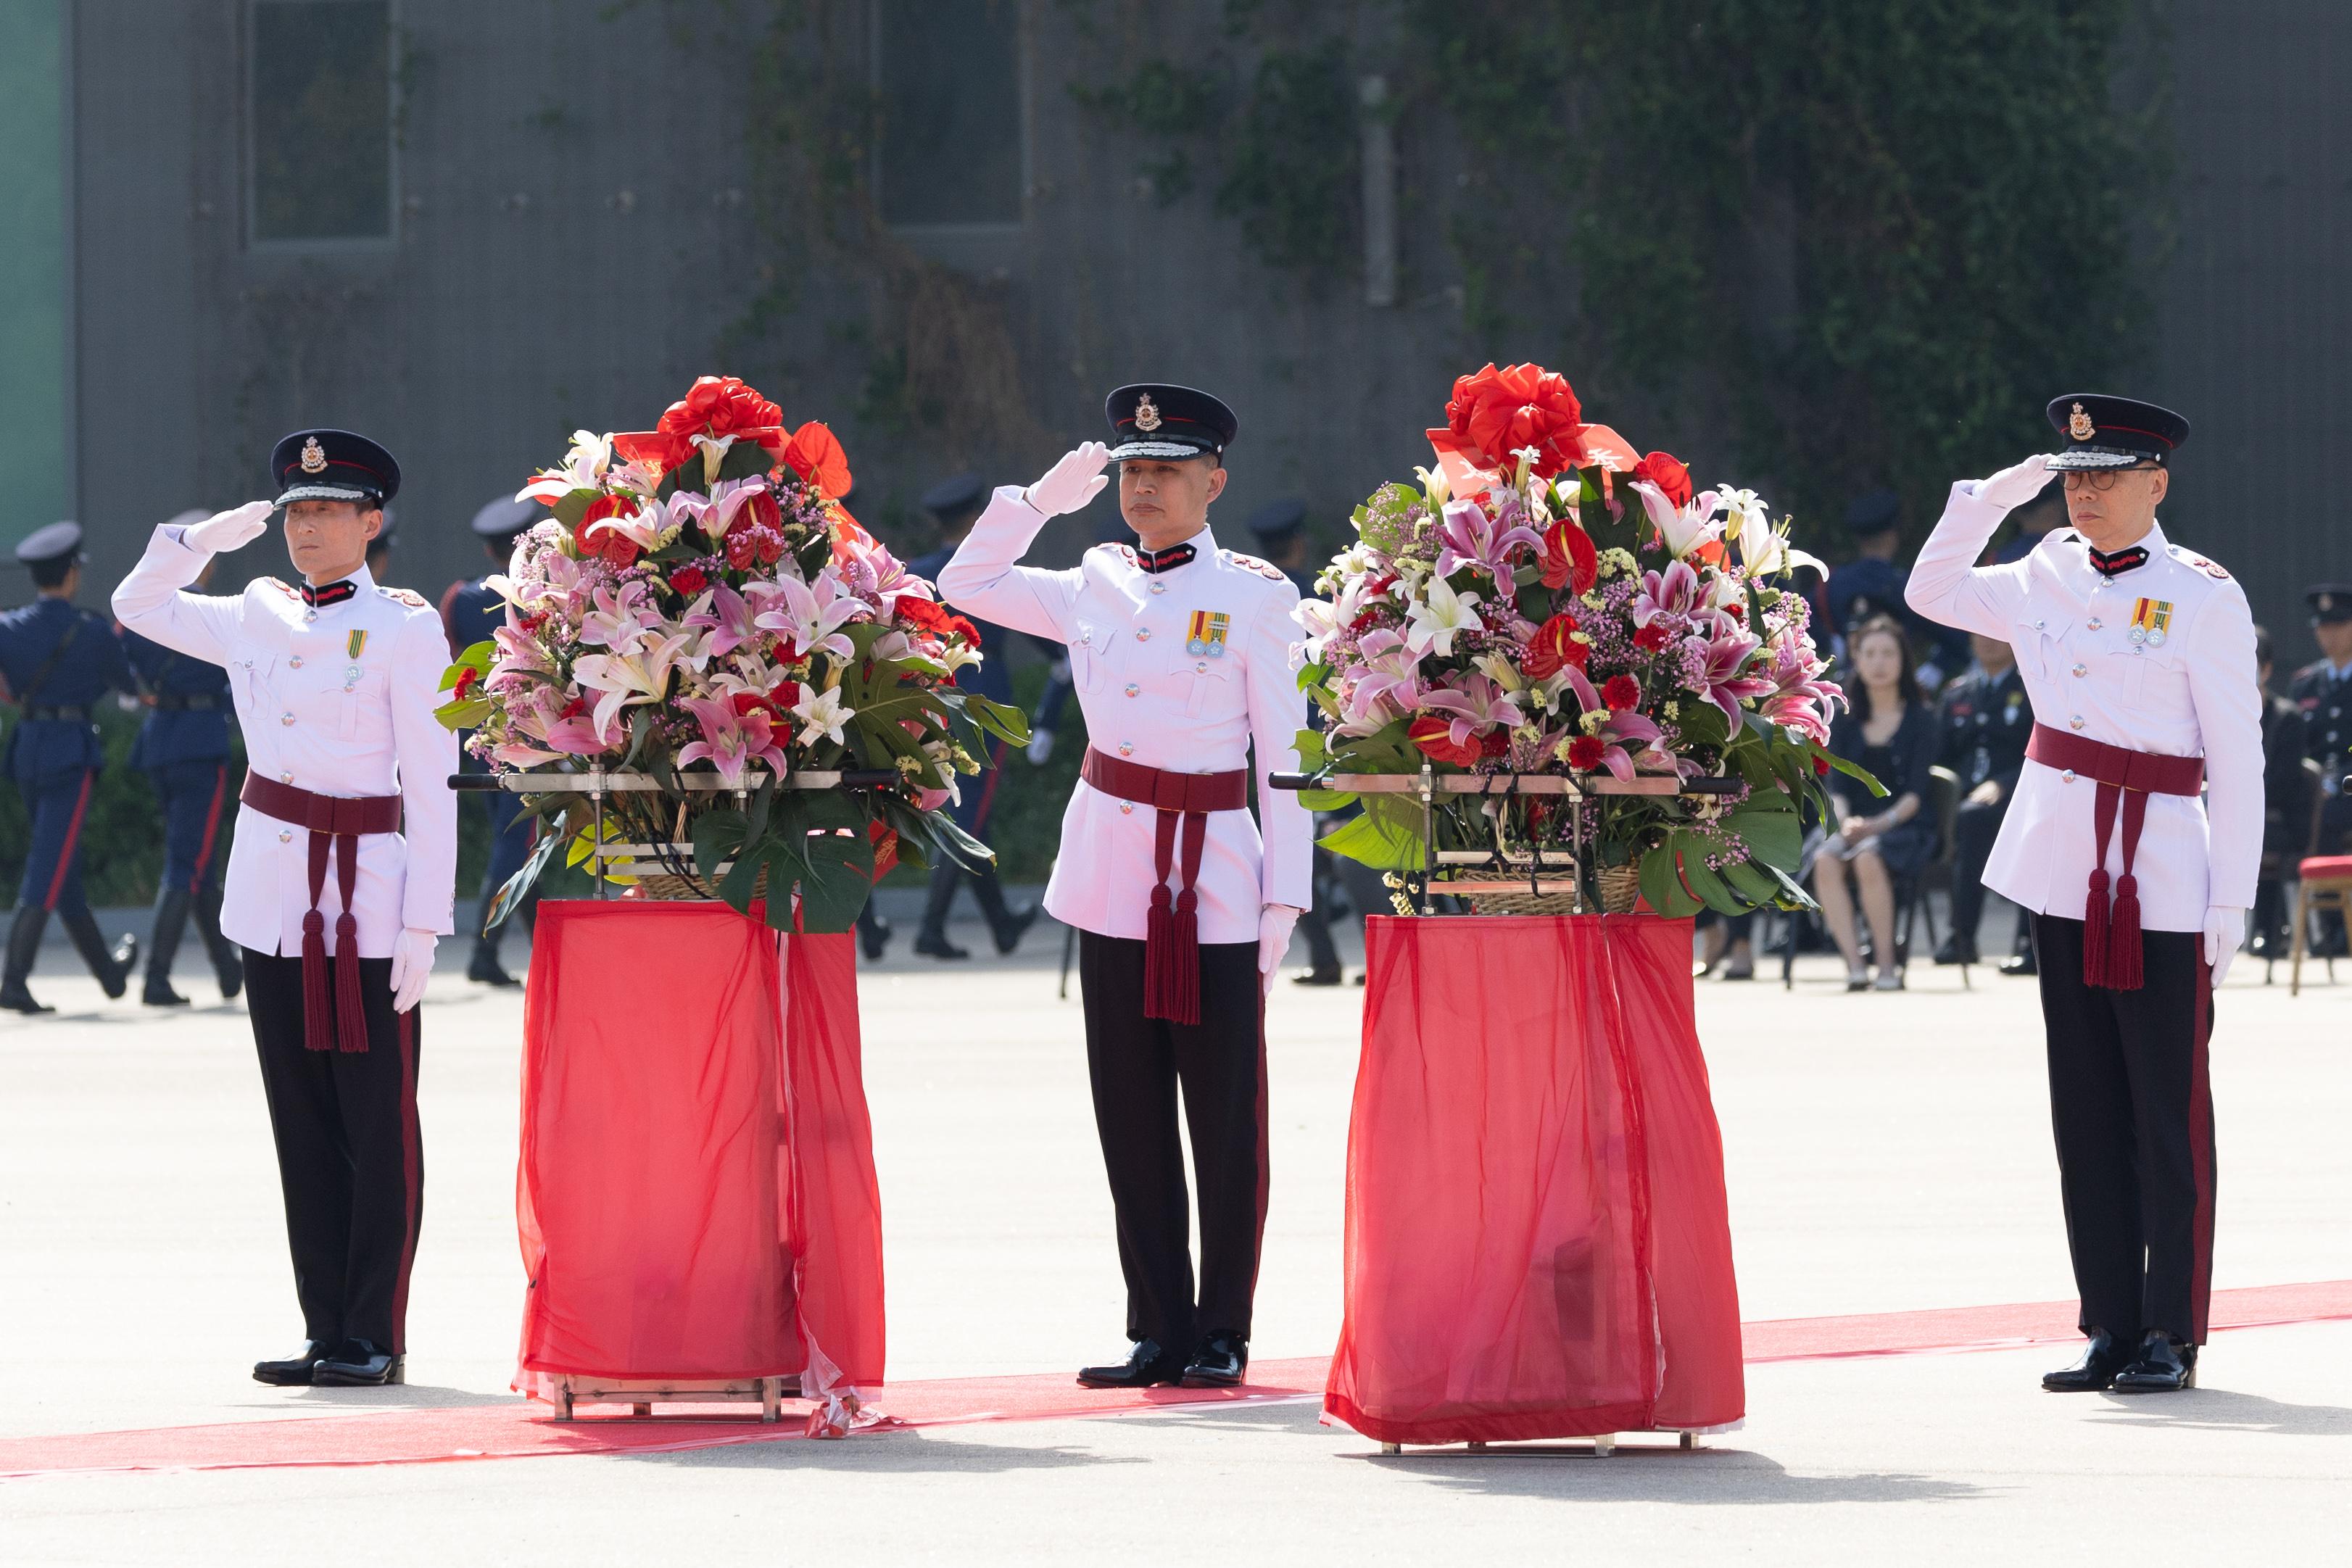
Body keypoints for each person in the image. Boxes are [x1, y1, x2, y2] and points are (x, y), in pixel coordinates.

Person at [939, 383, 1310, 1390]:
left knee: (1226, 1114)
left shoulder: (1257, 596)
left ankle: (1223, 1324)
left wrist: (1286, 900)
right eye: (1133, 468)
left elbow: (1284, 761)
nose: (1145, 483)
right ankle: (1157, 1323)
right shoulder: (1090, 578)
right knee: (1131, 1109)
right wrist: (1037, 501)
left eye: (1169, 468)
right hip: (1112, 872)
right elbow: (967, 580)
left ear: (1214, 480)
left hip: (1216, 876)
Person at [1908, 394, 2260, 1396]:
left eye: (2107, 475)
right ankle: (2108, 1318)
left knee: (2167, 1109)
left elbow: (2238, 756)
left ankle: (2171, 1329)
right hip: (2064, 862)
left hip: (2163, 872)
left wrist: (2231, 894)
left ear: (2158, 482)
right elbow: (1931, 586)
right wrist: (1997, 495)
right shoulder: (2040, 569)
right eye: (2072, 475)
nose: (2085, 493)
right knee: (2087, 1107)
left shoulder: (2203, 594)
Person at [113, 429, 457, 1390]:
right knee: (301, 1119)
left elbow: (432, 782)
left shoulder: (406, 626)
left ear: (370, 520)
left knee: (376, 1121)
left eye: (329, 510)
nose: (308, 527)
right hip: (272, 896)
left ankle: (373, 1332)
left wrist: (427, 920)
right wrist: (191, 542)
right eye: (296, 511)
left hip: (368, 899)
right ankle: (322, 1328)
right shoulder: (252, 613)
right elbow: (134, 605)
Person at [1, 521, 140, 1012]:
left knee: (62, 868)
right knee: (48, 865)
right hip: (69, 752)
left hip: (28, 749)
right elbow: (127, 683)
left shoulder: (10, 626)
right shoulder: (92, 631)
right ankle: (13, 979)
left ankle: (110, 974)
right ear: (72, 574)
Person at [904, 472, 1040, 960]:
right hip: (982, 705)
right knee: (967, 816)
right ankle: (930, 928)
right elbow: (1042, 629)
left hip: (924, 705)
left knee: (965, 815)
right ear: (974, 519)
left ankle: (1001, 923)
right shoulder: (992, 571)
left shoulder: (916, 573)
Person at [122, 511, 245, 1006]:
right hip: (199, 742)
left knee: (195, 860)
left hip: (161, 739)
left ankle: (225, 968)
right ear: (207, 562)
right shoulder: (211, 612)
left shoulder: (142, 616)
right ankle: (156, 976)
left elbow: (125, 671)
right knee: (186, 862)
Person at [439, 494, 540, 985]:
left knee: (517, 841)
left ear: (488, 552)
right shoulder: (534, 596)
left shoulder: (458, 597)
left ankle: (542, 946)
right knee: (516, 842)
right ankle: (484, 951)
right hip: (526, 733)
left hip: (478, 734)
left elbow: (451, 662)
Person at [1813, 614, 1939, 991]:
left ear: (1903, 660)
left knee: (1869, 855)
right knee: (1824, 859)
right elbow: (1834, 786)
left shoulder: (1922, 718)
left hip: (1904, 826)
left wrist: (1875, 826)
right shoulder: (1843, 717)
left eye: (1888, 653)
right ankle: (1854, 965)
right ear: (1857, 659)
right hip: (1851, 822)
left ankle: (1886, 964)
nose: (1879, 662)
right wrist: (1847, 823)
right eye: (1870, 654)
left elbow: (1916, 795)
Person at [1247, 497, 1344, 986]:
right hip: (1336, 735)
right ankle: (1377, 953)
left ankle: (1324, 956)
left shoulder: (1256, 601)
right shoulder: (1323, 599)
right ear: (1300, 544)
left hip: (1281, 745)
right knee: (1347, 852)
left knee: (1291, 851)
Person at [1932, 630, 2034, 973]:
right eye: (1981, 633)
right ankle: (1961, 938)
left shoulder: (2033, 689)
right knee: (1965, 820)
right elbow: (1941, 756)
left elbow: (2043, 751)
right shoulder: (1959, 692)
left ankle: (2027, 944)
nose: (1988, 641)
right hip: (1965, 800)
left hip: (2019, 795)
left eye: (1998, 633)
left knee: (1996, 827)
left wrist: (2003, 784)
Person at [2287, 584, 2352, 955]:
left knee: (2327, 815)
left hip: (2347, 786)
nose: (2329, 635)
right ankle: (2305, 930)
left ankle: (2339, 931)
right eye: (2323, 626)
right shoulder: (2306, 683)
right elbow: (2300, 742)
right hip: (2315, 787)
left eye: (2338, 625)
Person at [2251, 625, 2312, 959]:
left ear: (2268, 669)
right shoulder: (2223, 713)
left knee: (2258, 835)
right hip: (2238, 816)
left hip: (2281, 820)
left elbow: (2283, 784)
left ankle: (2270, 931)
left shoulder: (2287, 717)